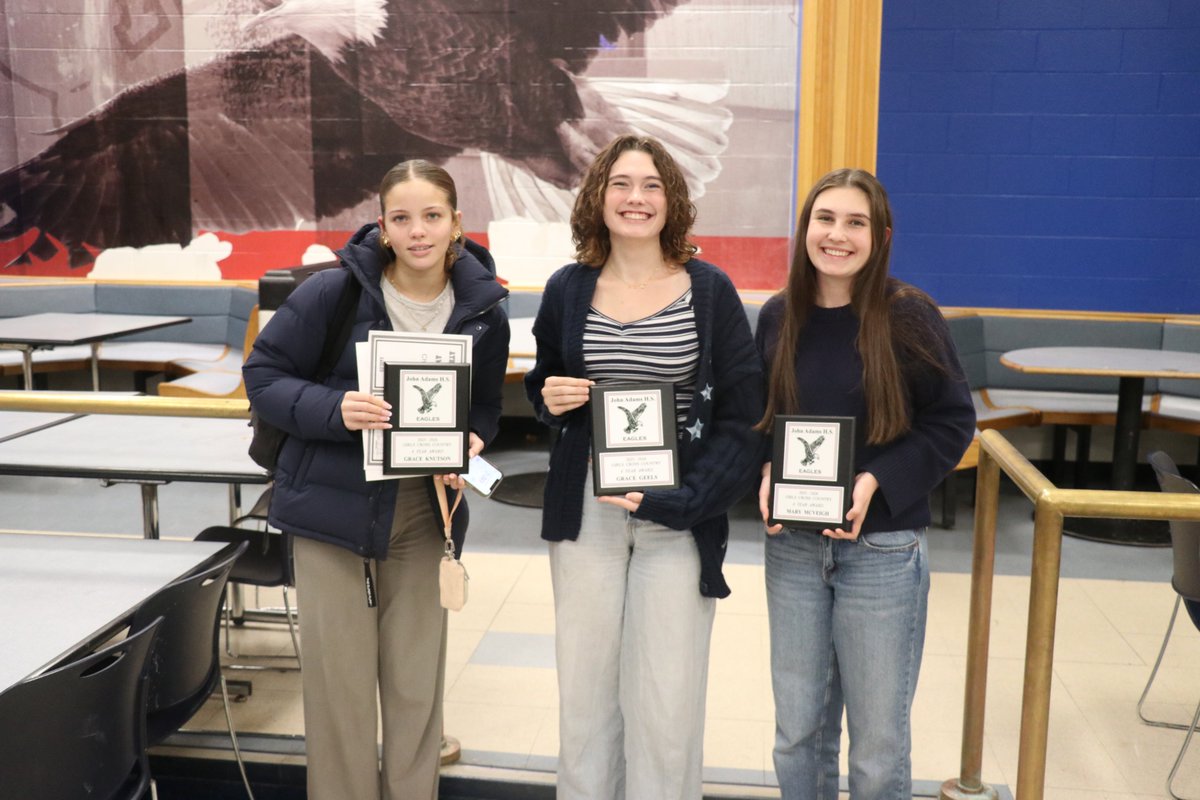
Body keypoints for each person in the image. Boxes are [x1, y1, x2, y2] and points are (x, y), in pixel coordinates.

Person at [243, 160, 510, 800]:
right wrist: (334, 411)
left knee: (417, 689)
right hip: (330, 515)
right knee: (340, 693)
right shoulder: (331, 295)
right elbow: (264, 378)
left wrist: (471, 441)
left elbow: (484, 410)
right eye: (402, 218)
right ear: (384, 228)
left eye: (432, 216)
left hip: (424, 515)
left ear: (456, 224)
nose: (418, 231)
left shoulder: (485, 310)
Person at [523, 135, 764, 800]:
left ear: (672, 200)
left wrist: (687, 502)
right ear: (598, 198)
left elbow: (746, 420)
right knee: (585, 703)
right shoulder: (568, 289)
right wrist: (550, 398)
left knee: (667, 710)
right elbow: (544, 383)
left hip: (677, 522)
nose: (636, 197)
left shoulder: (710, 291)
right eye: (622, 183)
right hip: (587, 522)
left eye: (652, 184)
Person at [755, 168, 976, 799]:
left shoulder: (908, 317)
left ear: (879, 236)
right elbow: (757, 419)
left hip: (882, 553)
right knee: (798, 734)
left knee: (877, 746)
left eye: (855, 223)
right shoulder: (778, 317)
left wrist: (877, 478)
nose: (837, 235)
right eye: (825, 219)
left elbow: (953, 420)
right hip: (793, 549)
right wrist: (767, 467)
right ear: (806, 229)